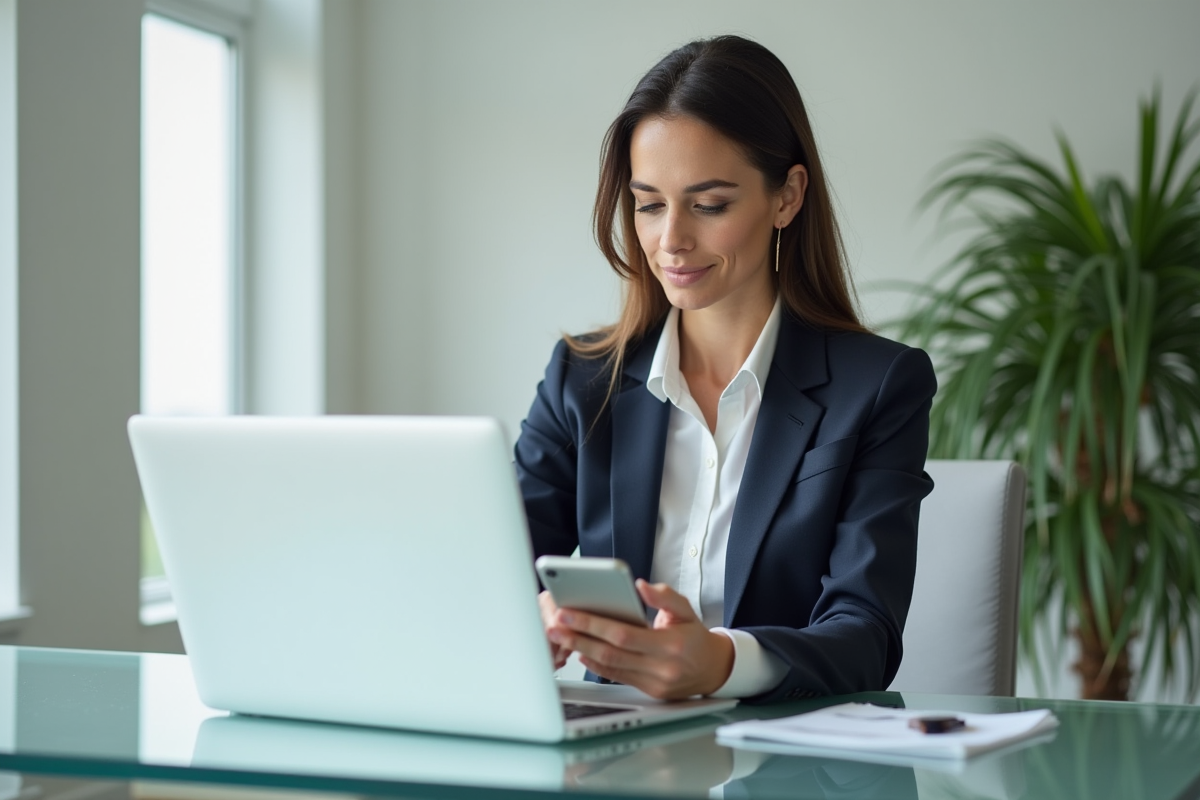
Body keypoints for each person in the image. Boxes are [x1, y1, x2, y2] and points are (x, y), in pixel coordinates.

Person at [514, 35, 936, 704]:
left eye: (709, 205)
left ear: (787, 197)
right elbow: (492, 570)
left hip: (786, 752)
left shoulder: (878, 388)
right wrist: (523, 615)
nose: (671, 240)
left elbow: (866, 636)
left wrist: (720, 663)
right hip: (616, 747)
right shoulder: (581, 379)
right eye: (649, 204)